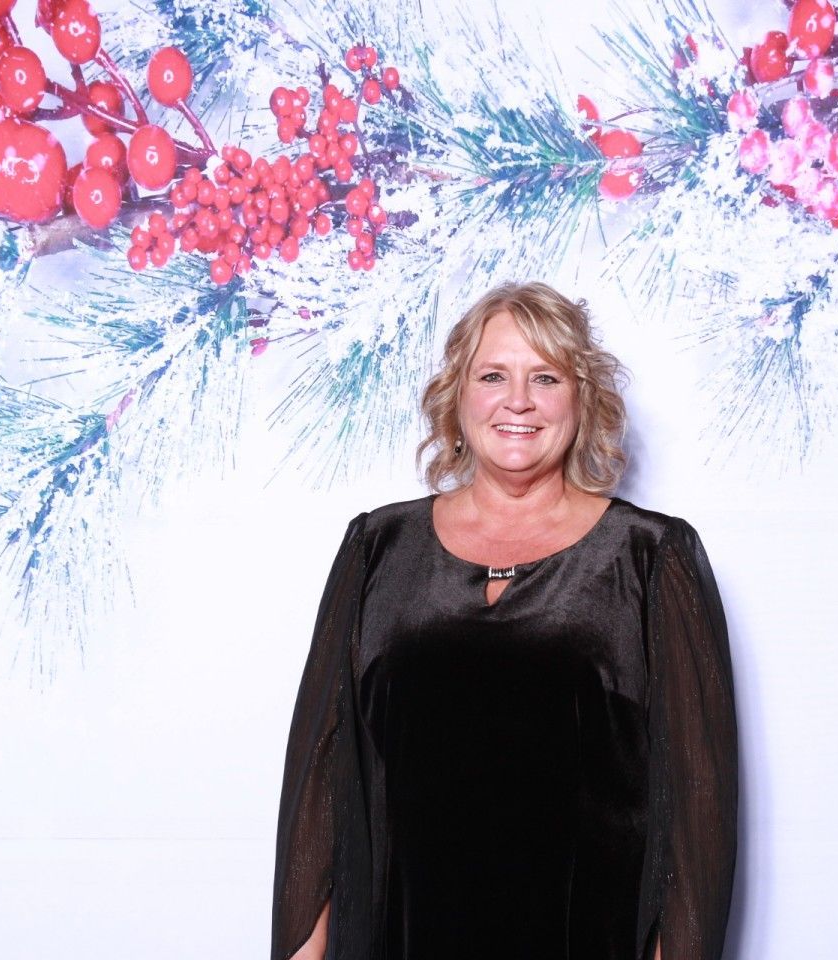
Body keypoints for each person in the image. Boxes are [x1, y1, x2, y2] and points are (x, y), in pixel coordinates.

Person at [271, 281, 738, 960]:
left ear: (581, 399)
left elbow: (699, 817)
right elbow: (318, 786)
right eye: (494, 375)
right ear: (458, 396)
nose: (518, 400)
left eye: (544, 377)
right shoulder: (375, 549)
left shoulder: (650, 558)